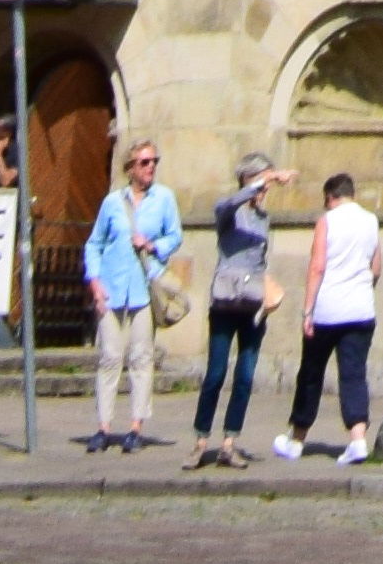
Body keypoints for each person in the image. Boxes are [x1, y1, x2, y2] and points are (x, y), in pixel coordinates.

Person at [275, 163, 381, 465]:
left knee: (311, 374)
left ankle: (296, 439)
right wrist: (361, 288)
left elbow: (317, 266)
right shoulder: (371, 220)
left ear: (330, 197)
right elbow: (376, 268)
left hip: (328, 310)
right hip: (361, 310)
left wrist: (307, 310)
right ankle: (358, 439)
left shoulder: (327, 221)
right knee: (354, 375)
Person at [83, 135, 183, 453]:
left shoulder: (164, 199)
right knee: (110, 357)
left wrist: (154, 246)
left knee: (141, 359)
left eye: (154, 161)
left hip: (143, 289)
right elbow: (94, 244)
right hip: (111, 289)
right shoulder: (113, 202)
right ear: (130, 168)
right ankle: (103, 427)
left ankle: (136, 427)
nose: (150, 167)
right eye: (144, 162)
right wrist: (94, 280)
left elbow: (175, 236)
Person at [192, 154, 275, 463]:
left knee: (245, 376)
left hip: (253, 304)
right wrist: (258, 183)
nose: (268, 187)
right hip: (225, 303)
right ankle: (201, 440)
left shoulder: (263, 217)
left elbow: (260, 260)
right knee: (215, 373)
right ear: (248, 179)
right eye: (263, 180)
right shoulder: (229, 211)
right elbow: (225, 206)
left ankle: (229, 442)